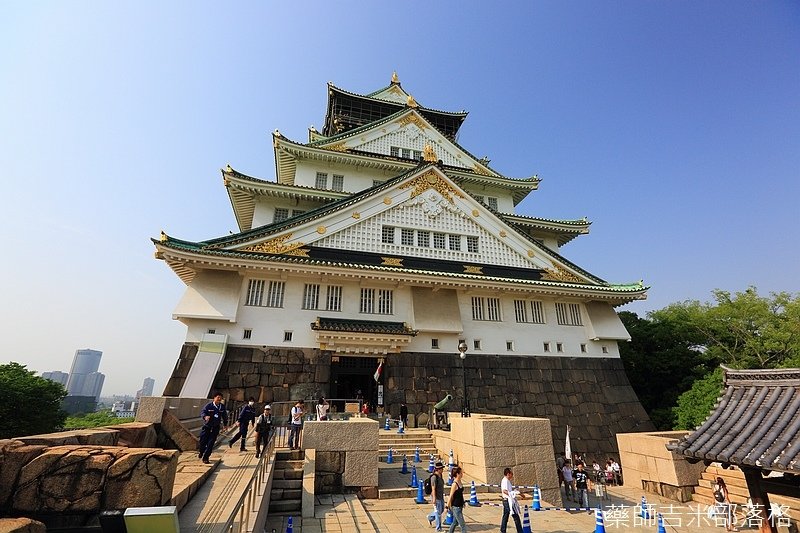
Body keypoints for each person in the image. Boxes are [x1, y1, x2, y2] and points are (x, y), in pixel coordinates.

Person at [198, 392, 228, 464]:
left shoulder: (222, 407)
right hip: (207, 427)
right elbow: (203, 412)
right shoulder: (209, 406)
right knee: (203, 442)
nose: (219, 399)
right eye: (218, 397)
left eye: (220, 398)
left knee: (211, 443)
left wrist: (225, 425)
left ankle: (206, 457)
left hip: (215, 427)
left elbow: (225, 416)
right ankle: (201, 451)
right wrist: (205, 417)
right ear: (214, 398)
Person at [500, 467, 525, 533]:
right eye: (511, 474)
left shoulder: (506, 481)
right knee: (516, 516)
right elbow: (505, 491)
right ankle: (520, 531)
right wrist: (513, 494)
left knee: (505, 516)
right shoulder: (505, 481)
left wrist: (517, 493)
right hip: (508, 501)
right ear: (508, 474)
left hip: (506, 500)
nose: (512, 475)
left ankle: (503, 530)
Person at [445, 466, 466, 532]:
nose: (462, 474)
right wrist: (447, 507)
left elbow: (460, 494)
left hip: (460, 505)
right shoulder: (454, 484)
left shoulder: (460, 481)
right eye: (461, 473)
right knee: (463, 524)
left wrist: (463, 502)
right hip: (455, 506)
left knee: (455, 522)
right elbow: (450, 496)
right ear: (457, 474)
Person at [426, 461, 446, 531]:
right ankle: (438, 529)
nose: (443, 470)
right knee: (438, 514)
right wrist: (434, 498)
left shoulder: (440, 476)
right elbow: (433, 488)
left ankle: (430, 517)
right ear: (438, 469)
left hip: (441, 496)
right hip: (436, 497)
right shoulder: (434, 477)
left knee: (441, 510)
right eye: (442, 469)